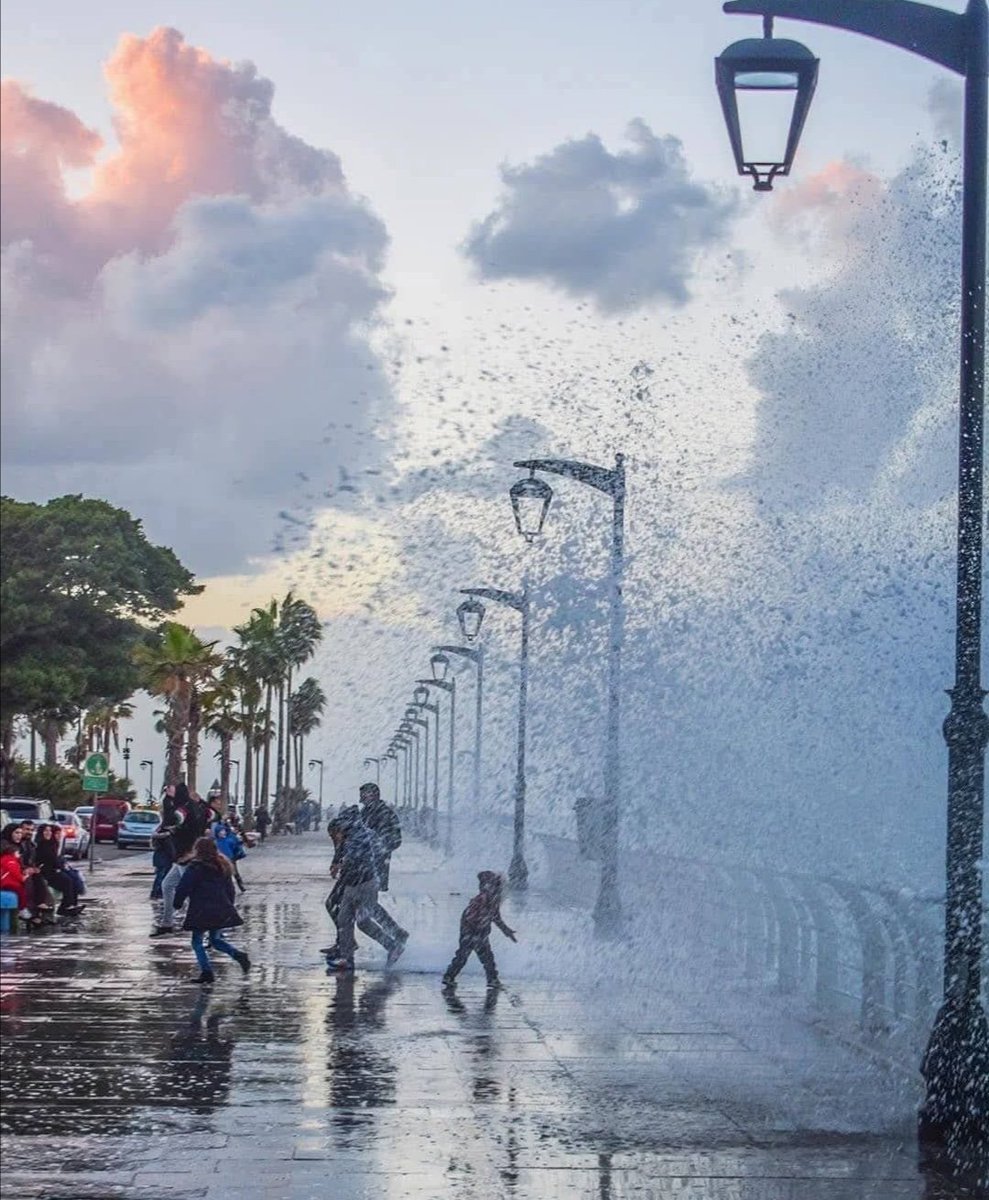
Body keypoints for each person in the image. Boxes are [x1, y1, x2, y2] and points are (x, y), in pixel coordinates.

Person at [324, 807, 406, 971]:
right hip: (351, 884)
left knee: (363, 922)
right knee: (343, 919)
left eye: (335, 835)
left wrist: (342, 864)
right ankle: (346, 958)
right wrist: (338, 864)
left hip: (365, 884)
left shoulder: (358, 836)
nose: (335, 839)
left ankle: (393, 945)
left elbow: (357, 855)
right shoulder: (351, 834)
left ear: (341, 829)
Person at [173, 837, 251, 985]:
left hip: (201, 909)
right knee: (215, 940)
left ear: (197, 850)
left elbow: (184, 886)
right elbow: (230, 889)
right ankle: (238, 955)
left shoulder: (195, 867)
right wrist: (229, 905)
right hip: (221, 908)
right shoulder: (222, 865)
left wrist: (177, 903)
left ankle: (206, 972)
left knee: (197, 941)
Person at [442, 871, 517, 990]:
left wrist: (507, 931)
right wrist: (474, 931)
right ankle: (450, 976)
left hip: (477, 932)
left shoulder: (492, 899)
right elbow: (471, 916)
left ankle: (491, 979)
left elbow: (495, 917)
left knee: (484, 957)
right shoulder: (483, 898)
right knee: (466, 955)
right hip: (472, 931)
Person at [152, 781, 206, 937]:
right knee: (167, 885)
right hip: (183, 856)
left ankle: (196, 921)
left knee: (189, 890)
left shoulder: (184, 809)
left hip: (186, 856)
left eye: (172, 789)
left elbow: (170, 820)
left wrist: (167, 800)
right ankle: (167, 923)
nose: (168, 790)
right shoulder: (192, 807)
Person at [358, 783, 402, 892]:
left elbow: (395, 836)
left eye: (364, 794)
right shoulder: (365, 811)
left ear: (373, 795)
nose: (362, 797)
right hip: (366, 855)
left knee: (377, 886)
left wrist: (382, 846)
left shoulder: (385, 813)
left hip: (378, 854)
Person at [33, 823, 82, 915]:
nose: (48, 833)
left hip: (52, 870)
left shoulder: (52, 844)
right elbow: (48, 860)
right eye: (46, 831)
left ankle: (71, 904)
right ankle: (65, 906)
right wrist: (58, 867)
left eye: (49, 831)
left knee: (72, 878)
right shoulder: (40, 845)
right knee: (67, 881)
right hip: (46, 872)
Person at [1, 825, 37, 923]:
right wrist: (23, 875)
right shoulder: (6, 849)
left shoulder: (20, 845)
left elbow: (21, 864)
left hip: (14, 876)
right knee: (24, 887)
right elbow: (13, 868)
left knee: (36, 879)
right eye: (16, 833)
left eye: (20, 833)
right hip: (7, 880)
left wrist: (27, 869)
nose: (19, 835)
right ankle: (26, 911)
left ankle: (34, 912)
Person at [210, 816, 246, 893]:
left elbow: (236, 847)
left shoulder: (229, 840)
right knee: (223, 874)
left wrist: (237, 853)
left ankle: (240, 885)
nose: (223, 833)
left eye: (223, 831)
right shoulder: (215, 842)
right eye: (220, 832)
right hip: (220, 859)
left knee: (235, 872)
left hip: (231, 858)